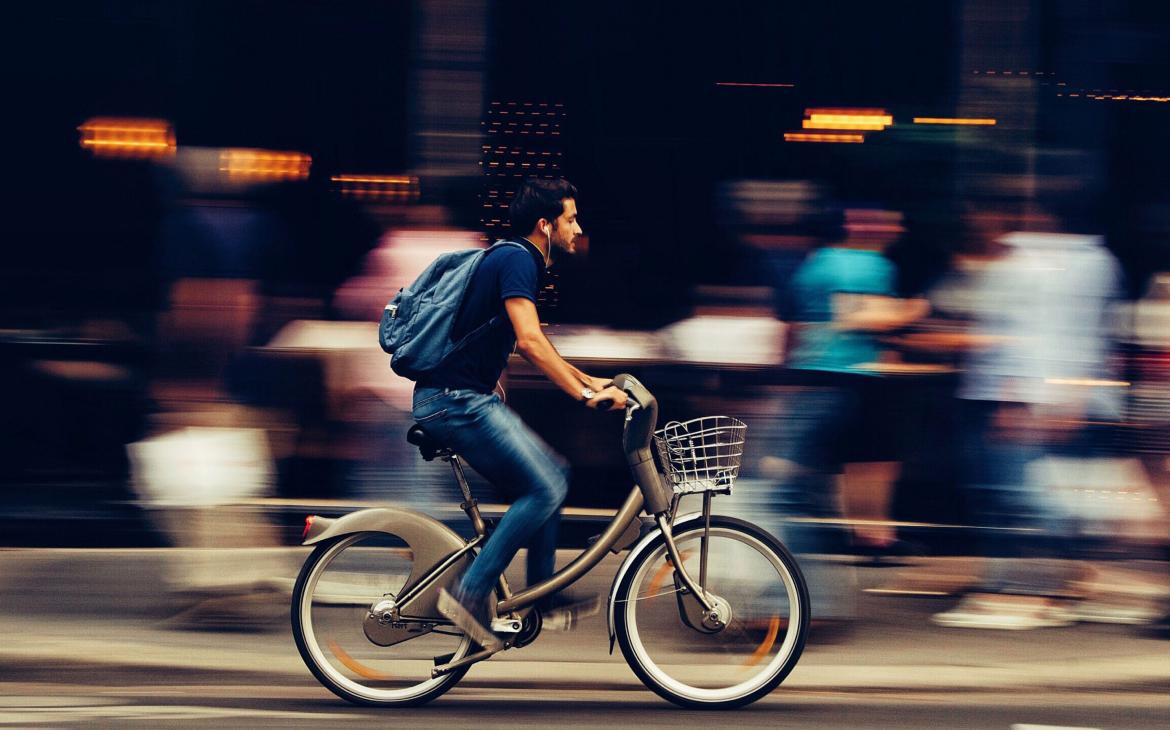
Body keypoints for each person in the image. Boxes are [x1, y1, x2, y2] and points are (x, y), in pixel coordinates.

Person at [412, 177, 627, 650]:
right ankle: (468, 594)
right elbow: (530, 341)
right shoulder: (517, 258)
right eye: (571, 218)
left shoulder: (515, 258)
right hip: (455, 400)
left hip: (464, 398)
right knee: (546, 486)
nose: (578, 227)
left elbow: (532, 347)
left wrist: (589, 380)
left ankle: (541, 596)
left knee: (554, 473)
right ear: (545, 225)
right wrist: (583, 396)